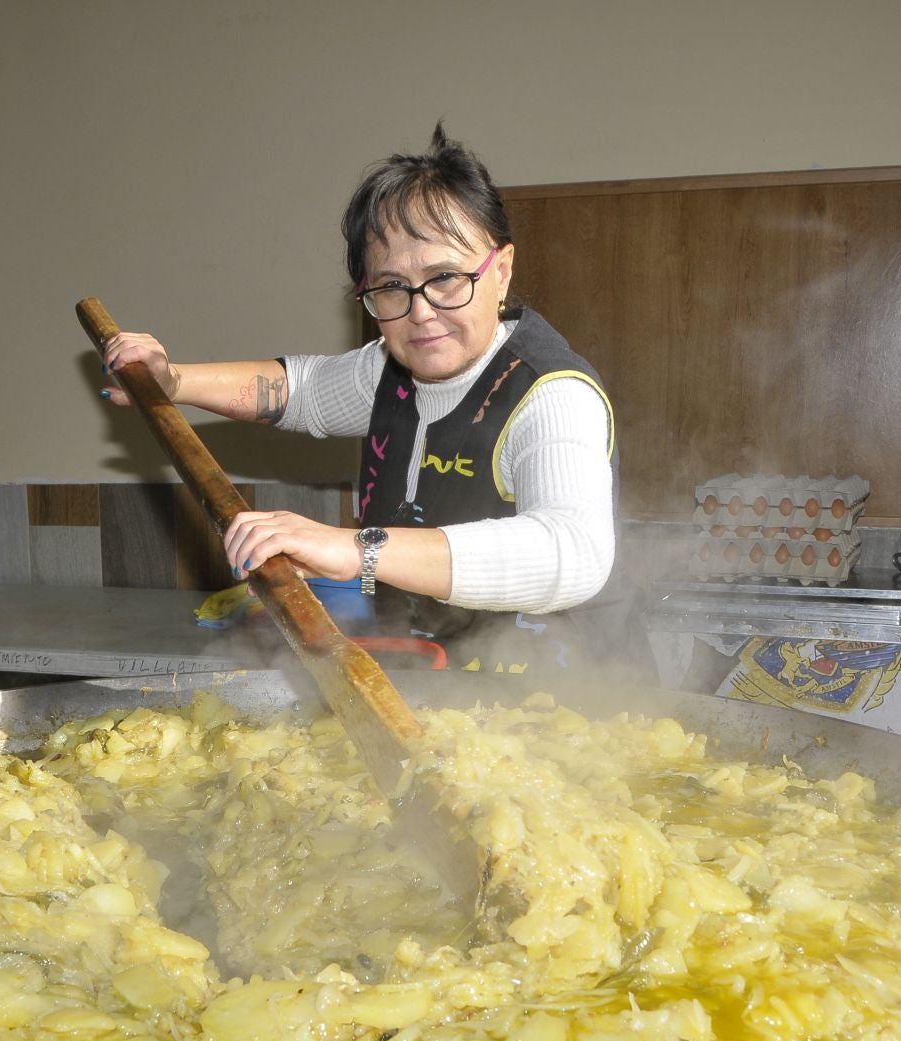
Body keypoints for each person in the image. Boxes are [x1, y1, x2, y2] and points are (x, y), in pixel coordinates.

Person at [102, 124, 616, 671]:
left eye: (446, 277)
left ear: (502, 271)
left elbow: (573, 552)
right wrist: (172, 382)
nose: (421, 313)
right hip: (441, 684)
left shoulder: (553, 394)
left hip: (564, 696)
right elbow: (302, 390)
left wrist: (356, 550)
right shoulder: (393, 370)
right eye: (391, 287)